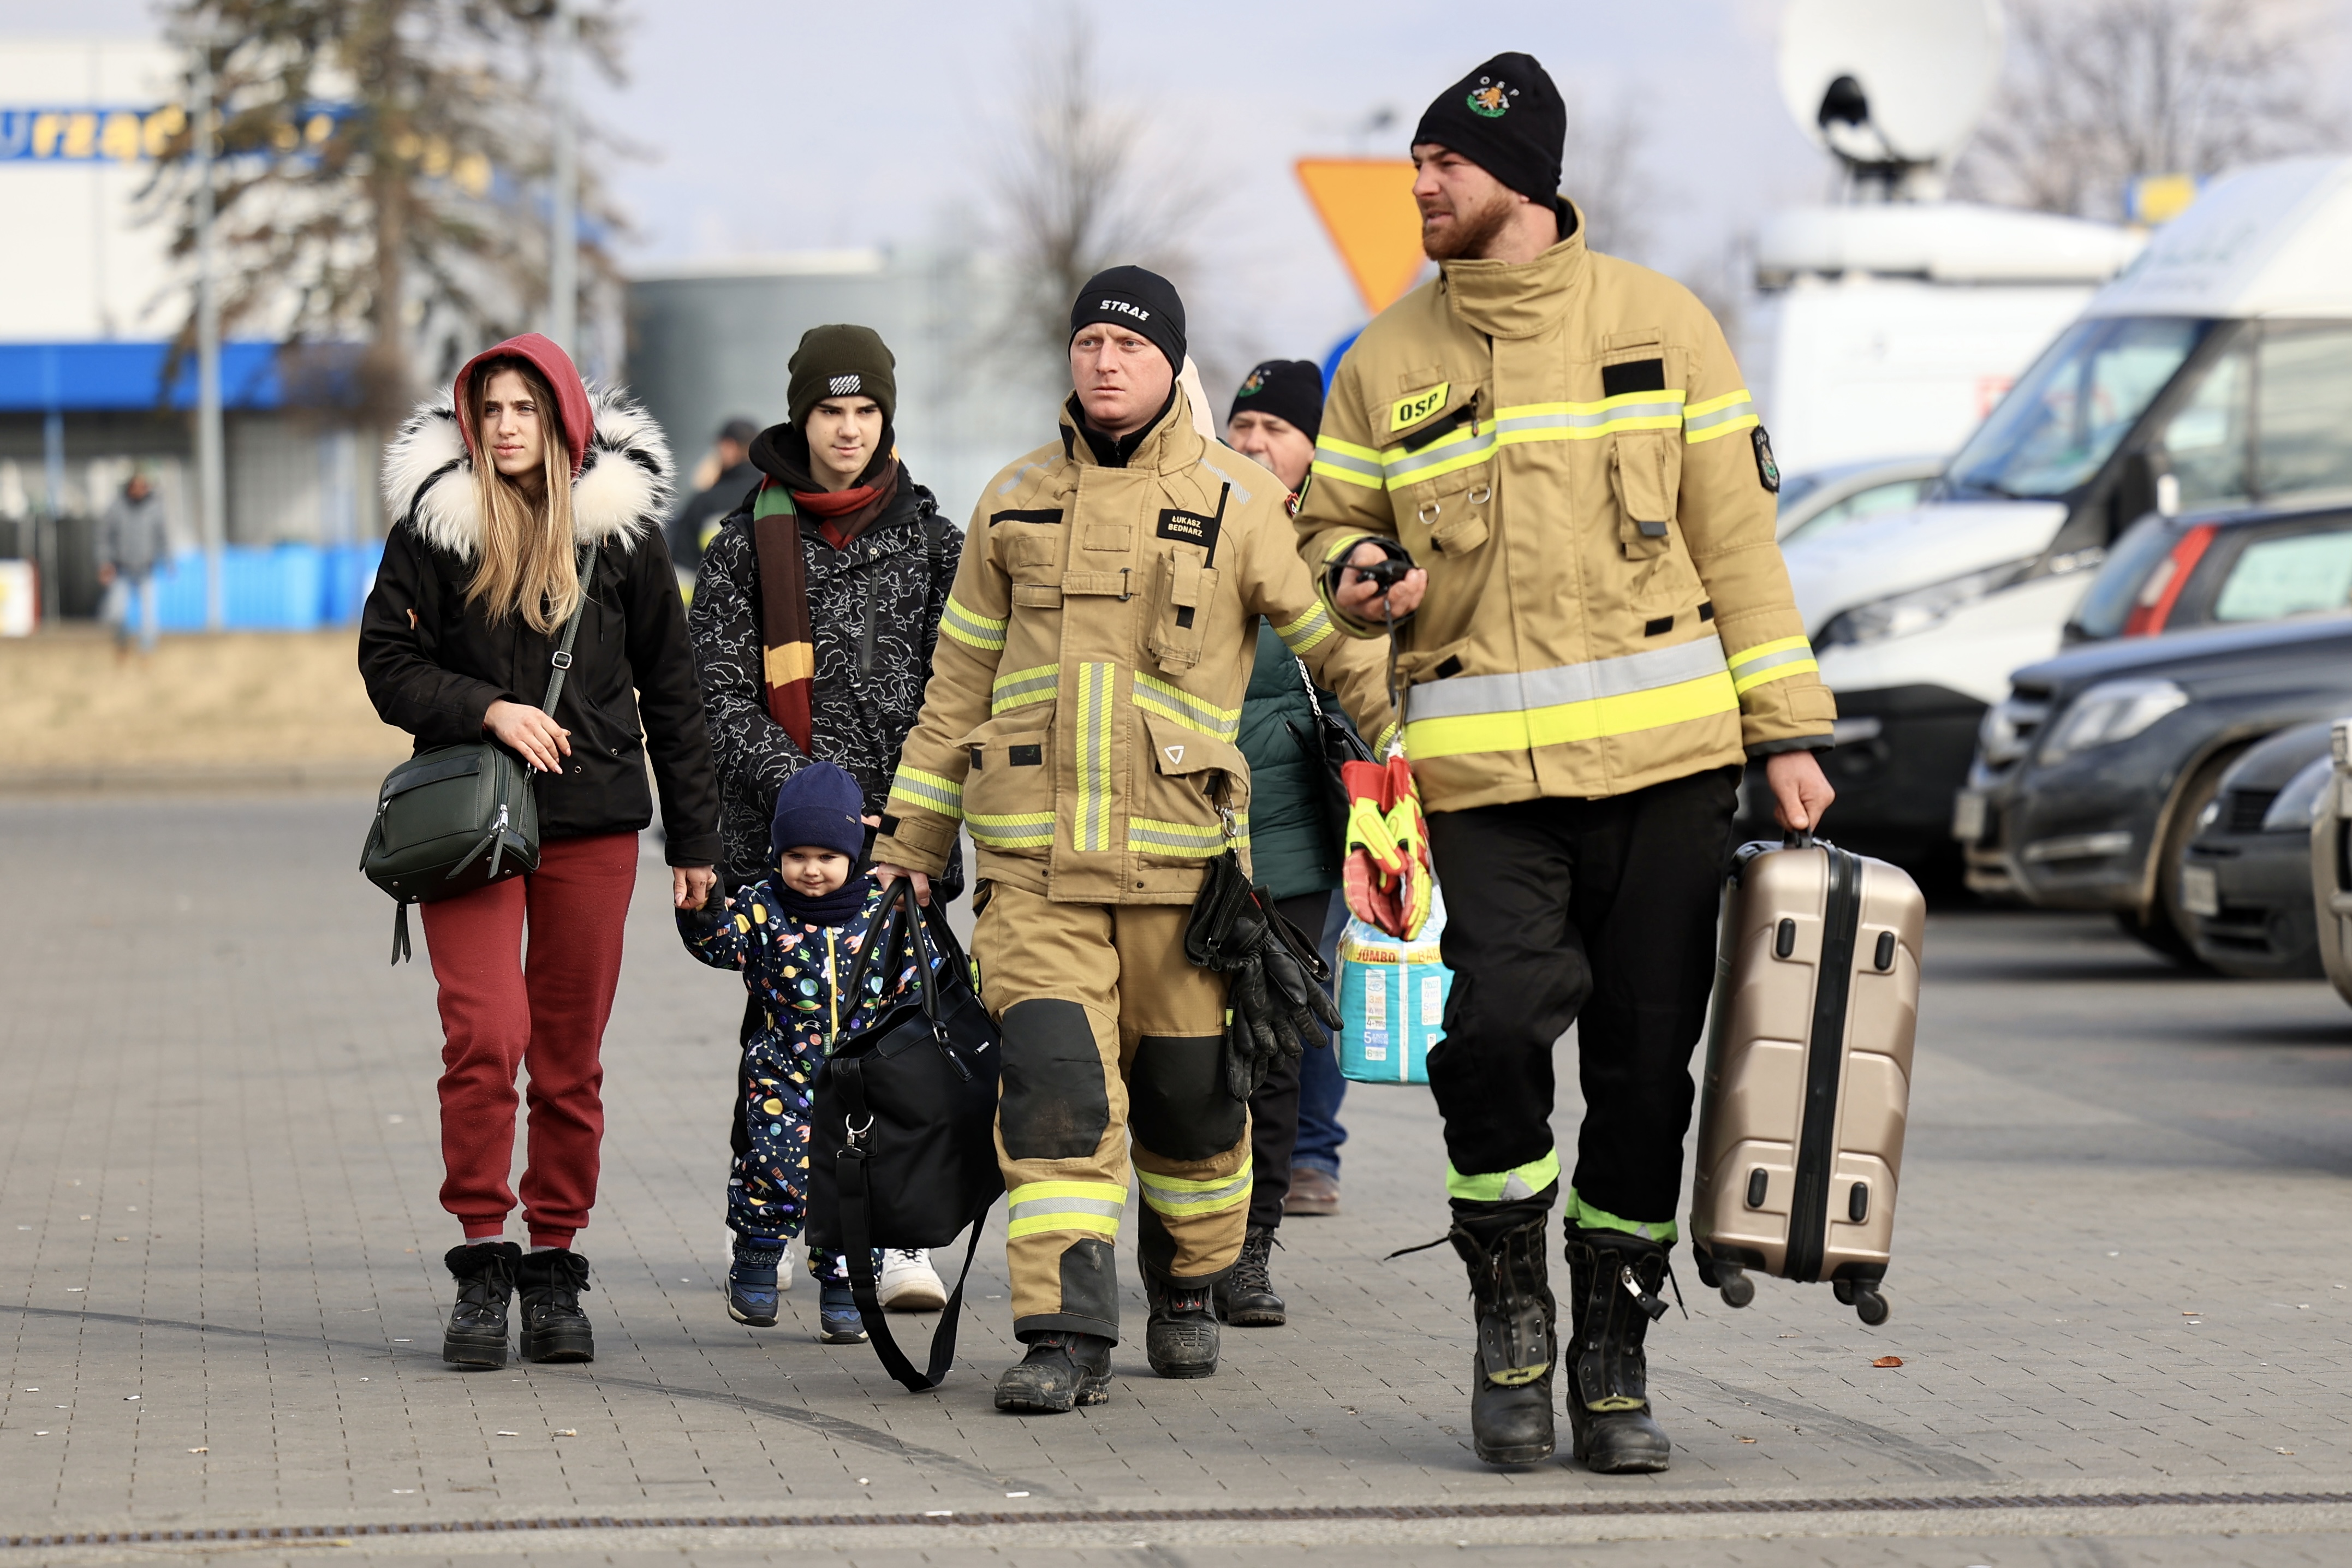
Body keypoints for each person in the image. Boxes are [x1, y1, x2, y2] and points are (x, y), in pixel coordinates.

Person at [1296, 55, 1838, 1473]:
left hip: (1669, 770)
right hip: (1481, 783)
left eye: (1446, 167)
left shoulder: (1665, 324)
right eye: (1416, 164)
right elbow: (1318, 546)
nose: (1421, 187)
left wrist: (1786, 730)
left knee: (1647, 1074)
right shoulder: (1383, 361)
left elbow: (1739, 549)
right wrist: (1359, 590)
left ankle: (1610, 1350)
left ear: (1523, 180)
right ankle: (1510, 1312)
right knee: (1486, 1041)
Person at [868, 267, 1394, 1415]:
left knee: (1191, 1109)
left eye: (1131, 345)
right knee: (1054, 1099)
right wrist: (912, 838)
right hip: (1034, 874)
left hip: (1186, 880)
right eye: (1089, 342)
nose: (1105, 361)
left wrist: (1415, 746)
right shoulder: (1011, 501)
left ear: (1171, 366)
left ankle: (1189, 1280)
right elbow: (955, 684)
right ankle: (1064, 1332)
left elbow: (1335, 645)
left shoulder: (1241, 500)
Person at [361, 332, 723, 1370]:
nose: (507, 426)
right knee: (485, 1036)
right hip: (469, 824)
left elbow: (674, 688)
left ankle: (555, 1262)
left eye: (525, 407)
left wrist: (694, 838)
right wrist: (487, 707)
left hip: (594, 821)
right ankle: (483, 1258)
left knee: (568, 1059)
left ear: (563, 418)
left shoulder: (622, 534)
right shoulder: (434, 529)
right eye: (491, 410)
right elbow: (386, 661)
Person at [687, 324, 962, 1334]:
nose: (848, 430)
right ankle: (763, 1228)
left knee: (899, 1050)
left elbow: (960, 690)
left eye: (865, 411)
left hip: (901, 846)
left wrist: (915, 825)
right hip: (785, 848)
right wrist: (810, 794)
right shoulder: (742, 542)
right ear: (800, 418)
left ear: (887, 418)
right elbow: (715, 694)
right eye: (829, 411)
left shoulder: (934, 542)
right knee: (783, 1055)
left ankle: (879, 1239)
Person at [675, 762, 939, 1342]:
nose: (811, 869)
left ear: (853, 854)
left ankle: (846, 1285)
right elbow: (722, 946)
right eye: (796, 856)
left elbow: (918, 973)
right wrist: (703, 908)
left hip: (863, 1081)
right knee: (776, 1169)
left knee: (858, 1180)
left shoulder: (882, 909)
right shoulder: (764, 906)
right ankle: (756, 1256)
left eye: (826, 856)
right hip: (783, 1072)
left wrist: (923, 1009)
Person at [1215, 358, 1356, 1327]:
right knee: (1190, 1055)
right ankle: (1189, 1240)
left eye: (1275, 429)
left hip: (1296, 839)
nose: (1255, 442)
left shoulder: (1336, 551)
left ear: (1312, 449)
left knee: (1271, 1048)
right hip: (1192, 831)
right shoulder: (1197, 521)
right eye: (1243, 425)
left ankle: (1248, 1251)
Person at [668, 417, 761, 585]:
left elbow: (682, 576)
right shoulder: (775, 496)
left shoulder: (705, 502)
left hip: (715, 600)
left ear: (728, 448)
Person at [96, 472, 171, 658]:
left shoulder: (155, 509)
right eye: (135, 487)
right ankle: (122, 641)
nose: (139, 491)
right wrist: (104, 563)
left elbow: (163, 537)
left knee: (149, 617)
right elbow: (103, 538)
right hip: (122, 569)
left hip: (146, 569)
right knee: (116, 613)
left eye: (143, 487)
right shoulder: (116, 509)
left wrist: (168, 559)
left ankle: (146, 651)